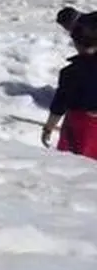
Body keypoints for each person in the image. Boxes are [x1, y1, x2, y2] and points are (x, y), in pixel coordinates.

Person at [41, 13, 97, 160]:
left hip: (80, 127)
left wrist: (48, 127)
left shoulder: (70, 73)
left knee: (74, 169)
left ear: (76, 44)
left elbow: (59, 104)